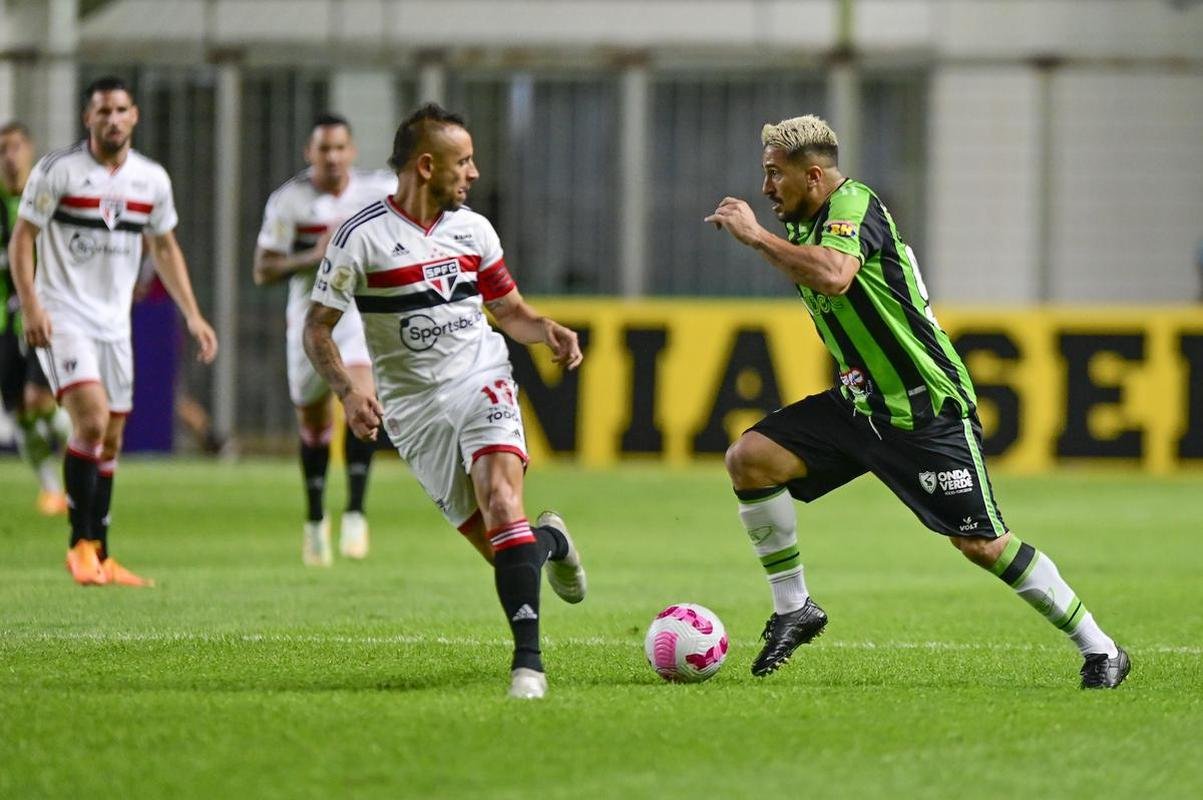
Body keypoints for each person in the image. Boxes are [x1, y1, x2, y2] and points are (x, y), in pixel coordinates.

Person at [705, 114, 1129, 689]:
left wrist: (756, 236)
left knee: (981, 543)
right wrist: (770, 237)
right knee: (751, 459)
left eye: (774, 175)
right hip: (860, 403)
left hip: (925, 406)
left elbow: (833, 277)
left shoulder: (854, 204)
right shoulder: (804, 227)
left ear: (813, 176)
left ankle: (1101, 650)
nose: (765, 189)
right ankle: (794, 608)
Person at [304, 103, 586, 698]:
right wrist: (350, 393)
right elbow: (317, 328)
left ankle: (528, 668)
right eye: (464, 162)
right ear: (426, 166)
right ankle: (553, 543)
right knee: (503, 549)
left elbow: (507, 310)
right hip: (413, 413)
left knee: (504, 502)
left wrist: (546, 329)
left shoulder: (474, 230)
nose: (475, 173)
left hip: (480, 378)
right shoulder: (361, 238)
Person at [7, 76, 218, 586]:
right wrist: (33, 305)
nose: (113, 119)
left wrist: (193, 314)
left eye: (121, 110)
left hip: (114, 324)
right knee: (93, 422)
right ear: (89, 119)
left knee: (112, 439)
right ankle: (79, 546)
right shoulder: (58, 171)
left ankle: (99, 552)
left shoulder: (151, 180)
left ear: (135, 116)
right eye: (103, 111)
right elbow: (22, 240)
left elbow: (165, 248)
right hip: (64, 316)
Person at [254, 114, 395, 565]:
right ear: (309, 153)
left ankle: (356, 511)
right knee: (314, 426)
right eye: (323, 149)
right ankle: (316, 519)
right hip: (310, 318)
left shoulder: (378, 192)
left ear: (351, 152)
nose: (332, 157)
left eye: (339, 148)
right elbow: (263, 270)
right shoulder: (289, 201)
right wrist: (314, 256)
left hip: (354, 313)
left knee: (362, 400)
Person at [1, 121, 71, 515]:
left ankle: (82, 437)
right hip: (2, 323)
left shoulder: (44, 197)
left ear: (29, 151)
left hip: (45, 315)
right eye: (2, 150)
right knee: (19, 411)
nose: (9, 157)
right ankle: (50, 489)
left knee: (39, 399)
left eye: (15, 147)